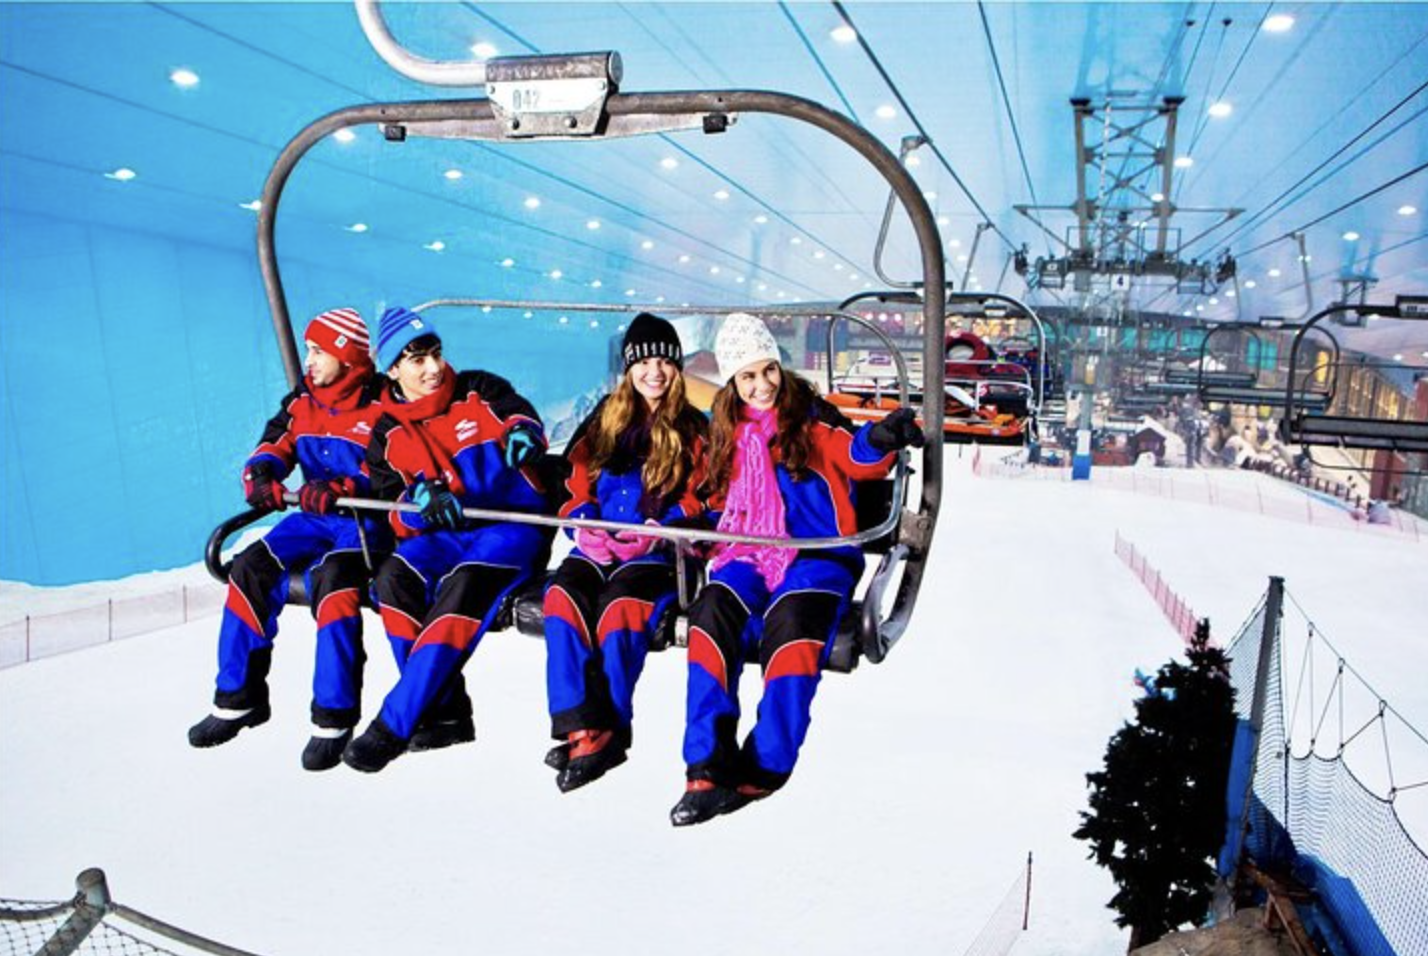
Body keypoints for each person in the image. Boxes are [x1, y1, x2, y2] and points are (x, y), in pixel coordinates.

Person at [670, 312, 925, 826]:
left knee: (791, 629)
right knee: (712, 613)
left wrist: (881, 439)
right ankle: (706, 763)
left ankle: (767, 762)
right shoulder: (727, 430)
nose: (762, 384)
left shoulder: (810, 416)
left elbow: (854, 455)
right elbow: (717, 496)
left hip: (818, 554)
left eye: (768, 370)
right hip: (747, 550)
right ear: (732, 382)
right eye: (748, 376)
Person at [342, 306, 551, 773]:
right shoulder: (387, 433)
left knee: (465, 586)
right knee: (393, 578)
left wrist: (524, 435)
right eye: (417, 360)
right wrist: (419, 503)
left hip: (509, 523)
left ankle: (395, 721)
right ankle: (445, 711)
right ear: (392, 368)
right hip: (447, 534)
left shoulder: (479, 388)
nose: (433, 368)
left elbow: (518, 414)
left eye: (435, 353)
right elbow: (389, 505)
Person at [188, 307, 389, 772]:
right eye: (308, 350)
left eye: (319, 350)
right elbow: (276, 442)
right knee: (250, 568)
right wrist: (261, 474)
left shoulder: (382, 404)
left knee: (335, 585)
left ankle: (332, 720)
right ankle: (239, 698)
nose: (309, 360)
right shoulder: (303, 400)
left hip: (364, 523)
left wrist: (345, 488)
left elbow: (392, 465)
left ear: (345, 353)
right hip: (313, 520)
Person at [543, 313, 708, 792]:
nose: (654, 372)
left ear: (677, 368)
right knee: (562, 600)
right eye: (643, 361)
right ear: (627, 367)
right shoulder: (604, 419)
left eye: (664, 361)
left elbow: (707, 495)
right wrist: (583, 523)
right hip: (601, 544)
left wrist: (664, 529)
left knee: (619, 611)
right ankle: (580, 724)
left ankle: (606, 728)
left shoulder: (693, 427)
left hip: (658, 553)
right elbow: (574, 481)